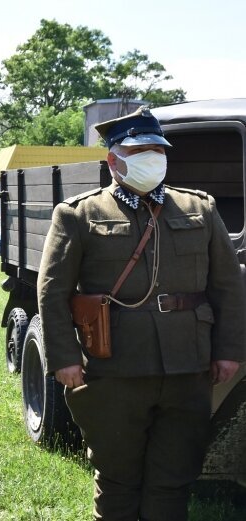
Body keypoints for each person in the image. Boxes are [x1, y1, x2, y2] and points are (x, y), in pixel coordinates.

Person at [38, 106, 245, 520]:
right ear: (114, 159)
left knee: (173, 480)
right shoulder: (79, 214)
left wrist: (229, 351)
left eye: (158, 149)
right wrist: (64, 360)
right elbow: (53, 292)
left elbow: (228, 287)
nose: (152, 157)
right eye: (140, 149)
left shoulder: (199, 210)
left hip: (187, 367)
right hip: (114, 370)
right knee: (118, 482)